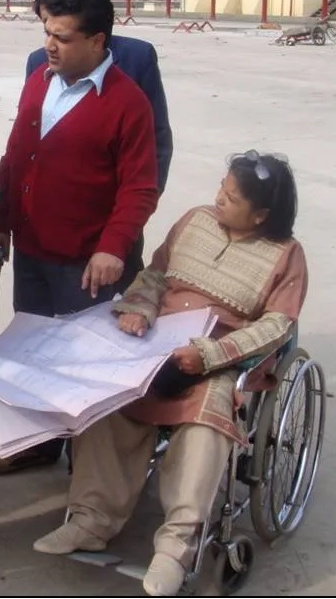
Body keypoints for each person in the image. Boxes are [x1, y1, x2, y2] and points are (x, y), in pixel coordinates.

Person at [33, 152, 307, 597]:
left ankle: (175, 548)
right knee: (108, 401)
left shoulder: (286, 256)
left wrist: (210, 354)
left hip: (218, 358)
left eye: (231, 197)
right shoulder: (195, 221)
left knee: (206, 420)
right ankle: (91, 520)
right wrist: (139, 309)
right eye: (222, 187)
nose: (219, 198)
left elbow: (278, 325)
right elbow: (156, 275)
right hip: (158, 341)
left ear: (260, 215)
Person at [0, 0, 174, 476]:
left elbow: (140, 187)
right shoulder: (38, 81)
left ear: (97, 42)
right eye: (48, 32)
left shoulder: (127, 103)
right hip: (32, 251)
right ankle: (37, 444)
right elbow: (14, 158)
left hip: (87, 264)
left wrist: (113, 247)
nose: (50, 45)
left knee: (85, 369)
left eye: (63, 37)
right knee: (33, 354)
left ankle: (89, 471)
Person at [26, 0, 173, 195]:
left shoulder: (137, 58)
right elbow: (25, 141)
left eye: (62, 32)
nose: (50, 43)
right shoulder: (39, 64)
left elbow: (157, 137)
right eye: (46, 25)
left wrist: (143, 200)